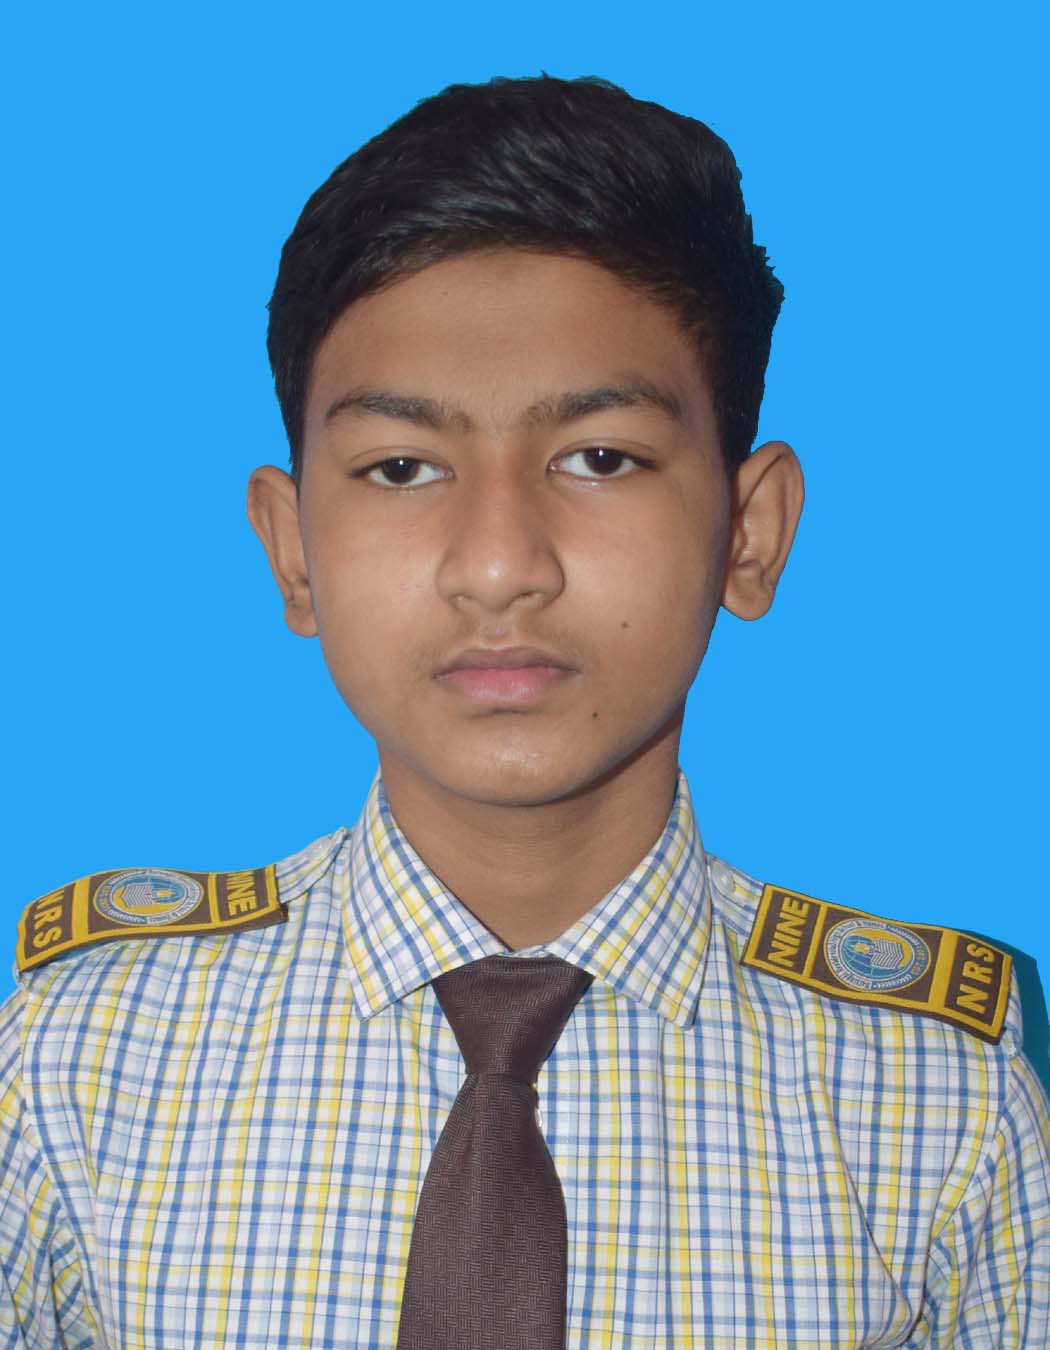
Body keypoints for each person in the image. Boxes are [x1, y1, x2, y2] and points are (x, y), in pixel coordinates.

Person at [1, 72, 1048, 1349]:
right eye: (402, 467)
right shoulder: (75, 1061)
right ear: (292, 551)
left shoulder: (942, 1102)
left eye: (599, 458)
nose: (499, 565)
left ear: (750, 531)